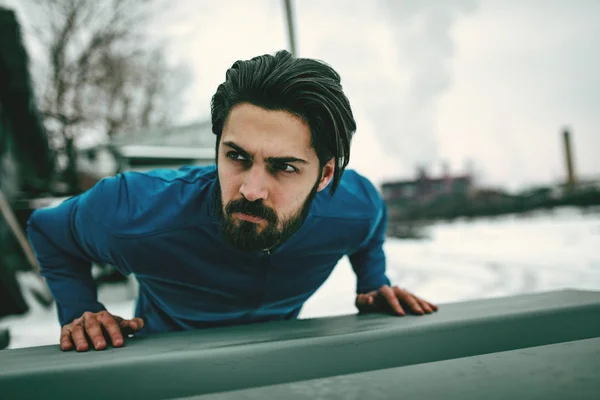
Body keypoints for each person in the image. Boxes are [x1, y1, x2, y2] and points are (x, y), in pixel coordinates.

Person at [27, 50, 437, 352]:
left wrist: (373, 282)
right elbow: (48, 230)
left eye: (285, 167)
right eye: (237, 157)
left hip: (276, 368)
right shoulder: (133, 209)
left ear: (325, 175)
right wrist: (81, 310)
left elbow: (372, 224)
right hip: (158, 370)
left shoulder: (353, 205)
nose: (251, 190)